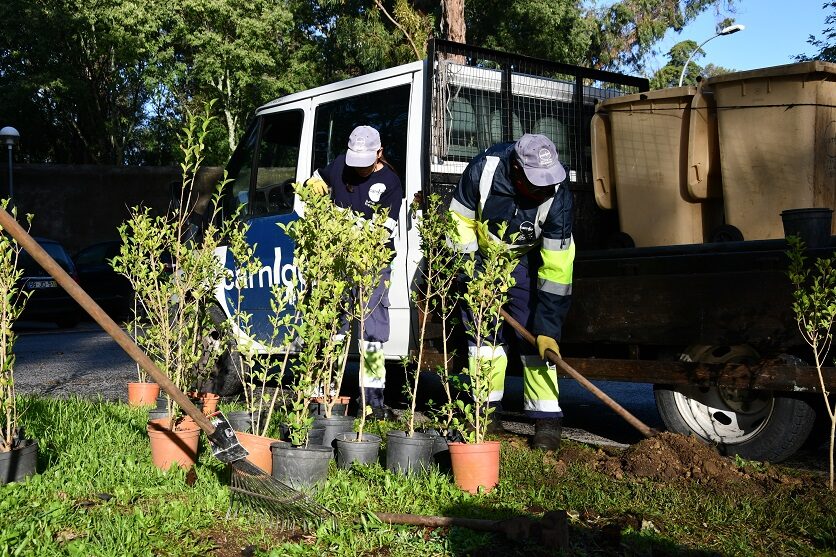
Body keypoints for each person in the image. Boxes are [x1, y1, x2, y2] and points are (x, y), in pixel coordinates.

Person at [448, 133, 574, 450]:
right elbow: (459, 223)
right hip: (481, 259)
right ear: (516, 168)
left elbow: (557, 270)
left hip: (526, 259)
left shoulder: (558, 195)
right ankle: (486, 413)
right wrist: (473, 276)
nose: (544, 187)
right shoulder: (484, 169)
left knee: (536, 339)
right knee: (483, 339)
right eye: (536, 181)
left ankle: (547, 421)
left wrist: (548, 328)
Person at [304, 125, 403, 420]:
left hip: (372, 264)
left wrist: (352, 236)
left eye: (365, 162)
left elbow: (383, 233)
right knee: (331, 329)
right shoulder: (340, 165)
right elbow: (319, 177)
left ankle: (371, 401)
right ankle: (322, 393)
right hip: (337, 263)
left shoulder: (390, 183)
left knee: (371, 332)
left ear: (379, 153)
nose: (357, 169)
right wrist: (313, 182)